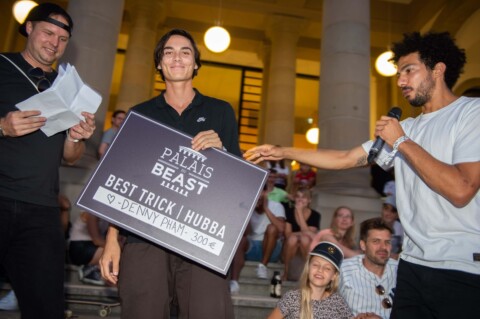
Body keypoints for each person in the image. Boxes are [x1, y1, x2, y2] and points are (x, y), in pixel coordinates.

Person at [245, 31, 480, 318]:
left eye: (409, 71)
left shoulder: (471, 113)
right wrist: (283, 151)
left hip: (461, 267)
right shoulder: (407, 127)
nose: (401, 81)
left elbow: (462, 188)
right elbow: (344, 158)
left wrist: (401, 142)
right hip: (413, 265)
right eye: (398, 74)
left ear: (438, 69)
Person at [99, 28, 241, 319]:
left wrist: (222, 150)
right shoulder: (139, 114)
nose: (177, 57)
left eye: (185, 51)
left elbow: (238, 184)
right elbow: (122, 178)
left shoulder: (221, 111)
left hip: (201, 237)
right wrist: (112, 240)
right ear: (159, 64)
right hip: (143, 234)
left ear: (196, 64)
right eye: (169, 52)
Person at [0, 3, 96, 319]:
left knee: (47, 309)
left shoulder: (67, 87)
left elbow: (70, 158)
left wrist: (75, 137)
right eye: (48, 32)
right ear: (29, 28)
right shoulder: (2, 66)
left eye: (62, 38)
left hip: (41, 210)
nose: (54, 43)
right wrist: (1, 126)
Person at [267, 241, 353, 319]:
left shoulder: (337, 302)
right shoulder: (292, 298)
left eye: (327, 268)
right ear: (308, 268)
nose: (320, 270)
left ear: (334, 276)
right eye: (315, 265)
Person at [340, 217, 398, 319]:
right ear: (363, 245)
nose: (383, 247)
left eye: (387, 242)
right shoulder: (344, 271)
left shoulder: (400, 271)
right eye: (376, 241)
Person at [230, 189, 286, 293]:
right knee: (241, 240)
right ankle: (234, 282)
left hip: (272, 249)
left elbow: (281, 228)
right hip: (252, 247)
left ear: (265, 193)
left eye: (261, 192)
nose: (258, 196)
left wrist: (265, 208)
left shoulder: (276, 205)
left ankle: (263, 265)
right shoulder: (247, 206)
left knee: (272, 228)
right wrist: (248, 211)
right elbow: (246, 233)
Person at [282, 187, 321, 281]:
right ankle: (286, 272)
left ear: (309, 200)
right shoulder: (289, 212)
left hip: (306, 248)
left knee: (304, 239)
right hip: (290, 247)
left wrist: (299, 211)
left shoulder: (315, 215)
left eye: (304, 197)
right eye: (298, 196)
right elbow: (287, 234)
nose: (300, 199)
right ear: (294, 199)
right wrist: (300, 234)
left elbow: (309, 234)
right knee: (292, 239)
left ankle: (308, 273)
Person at [69, 212, 109, 285]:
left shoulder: (109, 216)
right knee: (111, 252)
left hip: (95, 247)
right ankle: (89, 270)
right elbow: (97, 240)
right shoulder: (91, 213)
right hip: (80, 247)